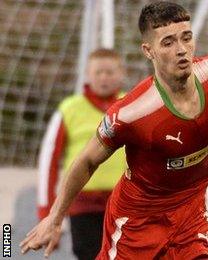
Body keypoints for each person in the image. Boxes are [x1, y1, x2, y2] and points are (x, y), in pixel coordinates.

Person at [20, 1, 208, 259]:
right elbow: (86, 161)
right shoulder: (130, 113)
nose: (181, 50)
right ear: (148, 51)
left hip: (191, 211)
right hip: (138, 220)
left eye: (186, 38)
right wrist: (55, 218)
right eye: (168, 42)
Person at [36, 48, 127, 260]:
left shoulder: (131, 105)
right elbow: (47, 163)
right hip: (82, 203)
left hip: (124, 203)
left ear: (122, 73)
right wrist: (47, 214)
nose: (104, 77)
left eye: (110, 72)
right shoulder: (69, 109)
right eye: (98, 72)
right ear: (87, 74)